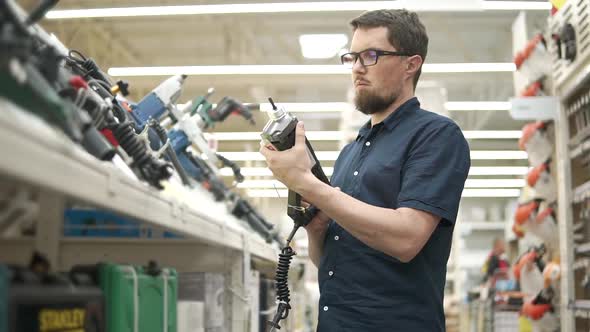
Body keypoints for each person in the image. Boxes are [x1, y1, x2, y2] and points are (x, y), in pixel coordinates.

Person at [260, 9, 471, 331]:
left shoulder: (436, 136)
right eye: (352, 57)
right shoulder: (351, 152)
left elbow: (407, 239)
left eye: (371, 55)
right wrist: (316, 229)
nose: (357, 68)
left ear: (410, 65)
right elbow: (330, 261)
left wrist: (308, 183)